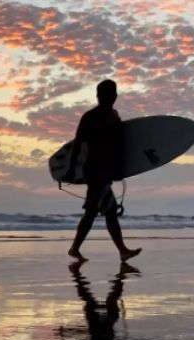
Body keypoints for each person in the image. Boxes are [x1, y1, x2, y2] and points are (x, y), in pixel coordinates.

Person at [68, 80, 141, 262]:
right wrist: (71, 168)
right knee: (106, 211)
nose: (106, 98)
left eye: (109, 95)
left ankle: (75, 248)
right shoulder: (90, 117)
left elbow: (119, 145)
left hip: (106, 171)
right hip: (94, 170)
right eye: (102, 95)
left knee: (95, 212)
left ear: (115, 96)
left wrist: (119, 168)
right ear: (97, 96)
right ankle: (121, 251)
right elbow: (78, 143)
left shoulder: (115, 116)